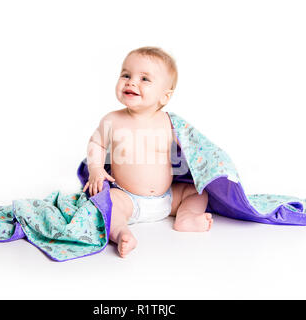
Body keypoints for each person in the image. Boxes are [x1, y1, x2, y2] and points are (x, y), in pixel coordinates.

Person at [83, 46, 212, 258]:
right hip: (128, 199)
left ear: (165, 96)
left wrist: (203, 163)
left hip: (168, 199)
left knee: (197, 192)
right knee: (109, 202)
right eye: (126, 75)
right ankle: (121, 232)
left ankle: (186, 217)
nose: (131, 82)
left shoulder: (170, 123)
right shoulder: (112, 120)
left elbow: (193, 148)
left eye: (144, 79)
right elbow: (96, 144)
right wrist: (96, 169)